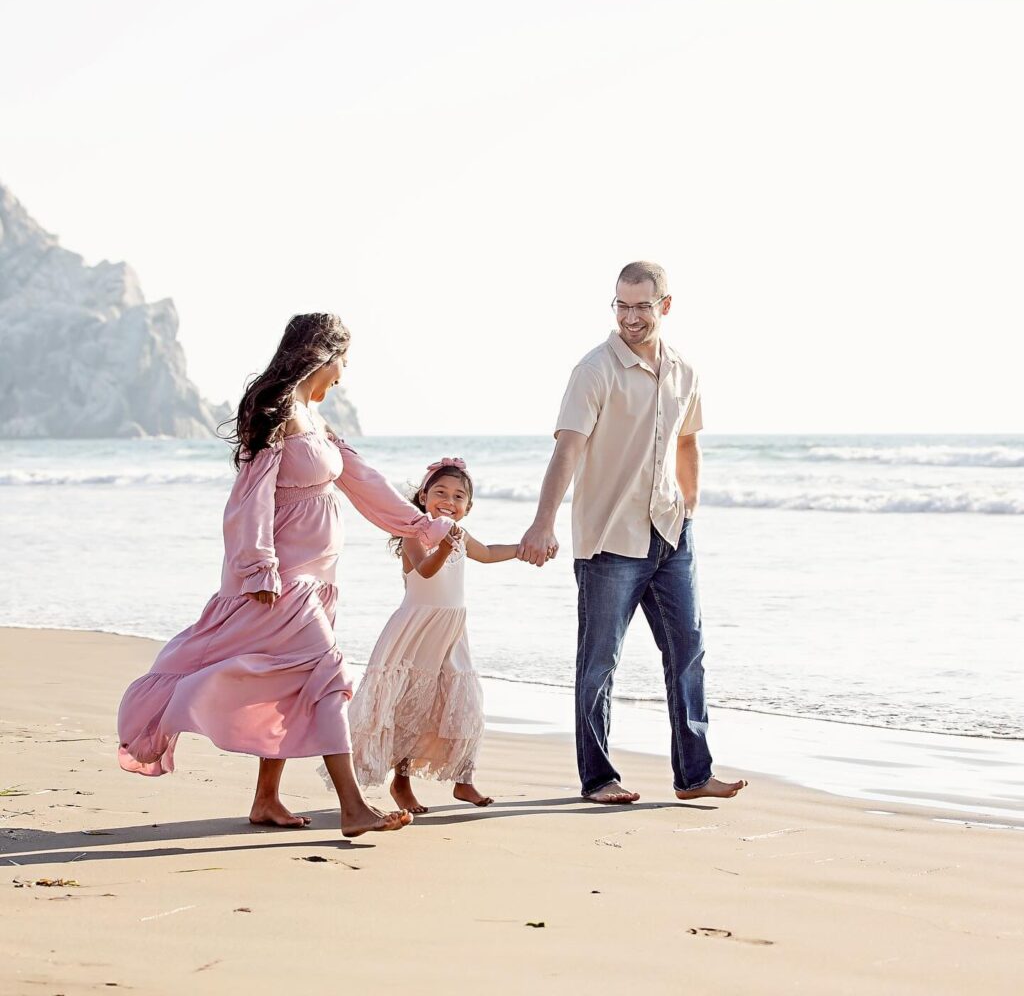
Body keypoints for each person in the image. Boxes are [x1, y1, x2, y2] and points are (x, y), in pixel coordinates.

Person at [116, 312, 453, 837]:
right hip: (282, 582)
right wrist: (258, 568)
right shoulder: (277, 415)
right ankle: (352, 806)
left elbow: (363, 481)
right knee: (327, 678)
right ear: (325, 355)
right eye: (344, 360)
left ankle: (266, 799)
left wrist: (420, 525)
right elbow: (247, 503)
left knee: (296, 684)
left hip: (319, 581)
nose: (344, 373)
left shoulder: (316, 420)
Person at [518, 262, 747, 805]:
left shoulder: (684, 372)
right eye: (621, 305)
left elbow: (688, 442)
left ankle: (694, 775)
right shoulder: (594, 370)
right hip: (608, 540)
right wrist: (543, 521)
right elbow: (568, 448)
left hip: (670, 532)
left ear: (665, 306)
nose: (631, 317)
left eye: (642, 306)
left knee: (687, 652)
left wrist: (689, 506)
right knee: (599, 662)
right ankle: (598, 779)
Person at [345, 457, 520, 813]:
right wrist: (442, 546)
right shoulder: (414, 532)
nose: (449, 501)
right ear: (424, 497)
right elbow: (424, 571)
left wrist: (522, 550)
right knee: (410, 708)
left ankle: (464, 780)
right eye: (440, 492)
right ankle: (402, 784)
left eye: (458, 497)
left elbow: (485, 554)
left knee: (465, 701)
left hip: (453, 633)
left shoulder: (462, 536)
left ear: (467, 509)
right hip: (418, 633)